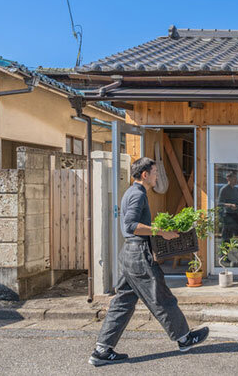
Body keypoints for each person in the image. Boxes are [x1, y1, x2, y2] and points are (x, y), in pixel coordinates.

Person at [89, 157, 208, 366]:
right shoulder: (137, 195)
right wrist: (162, 232)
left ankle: (102, 350)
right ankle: (184, 338)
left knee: (123, 302)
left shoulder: (132, 192)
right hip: (138, 254)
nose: (156, 177)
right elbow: (132, 225)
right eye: (154, 173)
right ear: (145, 174)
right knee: (161, 297)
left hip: (129, 254)